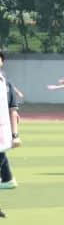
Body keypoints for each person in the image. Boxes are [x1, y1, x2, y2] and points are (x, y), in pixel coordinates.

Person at [0, 50, 20, 194]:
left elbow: (13, 111)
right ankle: (8, 179)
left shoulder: (7, 83)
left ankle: (8, 179)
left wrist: (15, 135)